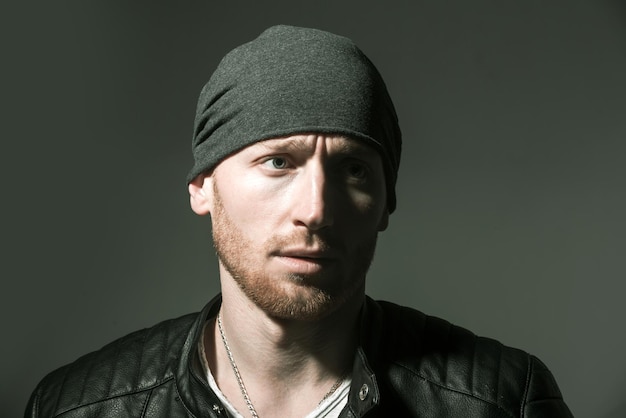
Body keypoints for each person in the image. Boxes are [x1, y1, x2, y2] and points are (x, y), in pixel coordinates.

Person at [25, 25, 573, 418]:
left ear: (386, 204)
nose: (316, 210)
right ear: (202, 187)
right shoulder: (78, 406)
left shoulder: (503, 401)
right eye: (278, 162)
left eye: (354, 171)